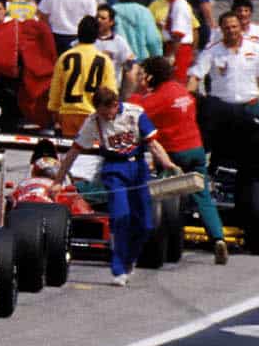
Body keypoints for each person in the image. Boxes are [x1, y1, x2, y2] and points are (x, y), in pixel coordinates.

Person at [54, 86, 181, 287]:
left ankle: (130, 257)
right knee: (121, 216)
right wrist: (58, 180)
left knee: (146, 224)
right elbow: (74, 151)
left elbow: (154, 145)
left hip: (138, 167)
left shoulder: (135, 113)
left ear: (115, 105)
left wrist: (168, 164)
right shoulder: (94, 120)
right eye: (101, 113)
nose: (106, 117)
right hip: (114, 168)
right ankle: (119, 267)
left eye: (107, 113)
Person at [134, 56, 228, 264]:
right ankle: (218, 238)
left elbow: (134, 110)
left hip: (174, 153)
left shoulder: (157, 98)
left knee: (160, 198)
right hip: (196, 149)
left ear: (150, 76)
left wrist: (137, 87)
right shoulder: (181, 90)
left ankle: (162, 241)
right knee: (203, 196)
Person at [191, 12, 259, 185]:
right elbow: (195, 77)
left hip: (249, 107)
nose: (231, 31)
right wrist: (189, 99)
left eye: (234, 27)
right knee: (218, 150)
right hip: (222, 110)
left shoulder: (254, 49)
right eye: (227, 27)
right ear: (221, 29)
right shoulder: (212, 51)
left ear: (240, 28)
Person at [50, 17, 116, 136]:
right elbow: (110, 92)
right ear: (96, 36)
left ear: (78, 33)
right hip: (93, 114)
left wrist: (54, 110)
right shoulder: (104, 60)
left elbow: (56, 88)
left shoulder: (65, 57)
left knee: (70, 151)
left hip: (68, 113)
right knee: (90, 152)